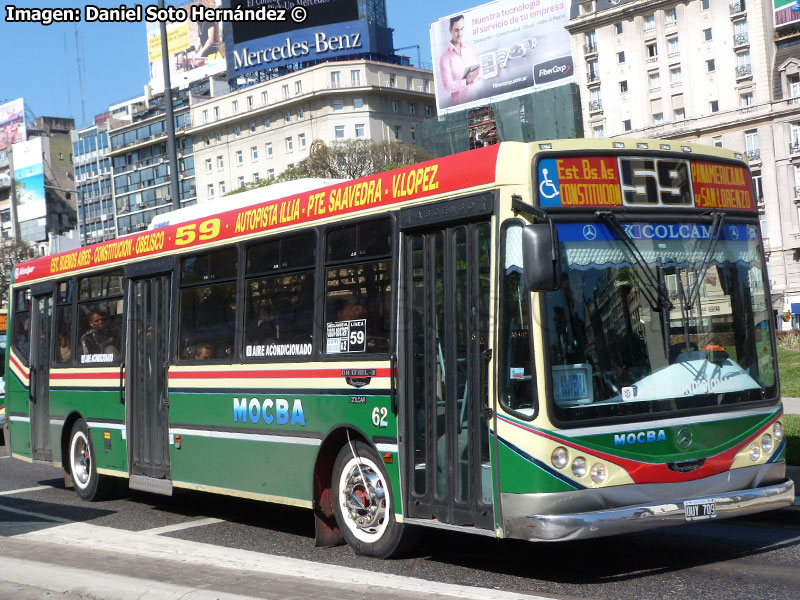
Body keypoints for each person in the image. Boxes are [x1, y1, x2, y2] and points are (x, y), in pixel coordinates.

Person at [438, 15, 482, 107]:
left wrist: (477, 73)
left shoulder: (469, 50)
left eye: (462, 29)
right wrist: (466, 81)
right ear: (450, 30)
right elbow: (447, 87)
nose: (460, 34)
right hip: (460, 108)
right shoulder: (445, 57)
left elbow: (479, 77)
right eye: (456, 30)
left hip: (476, 102)